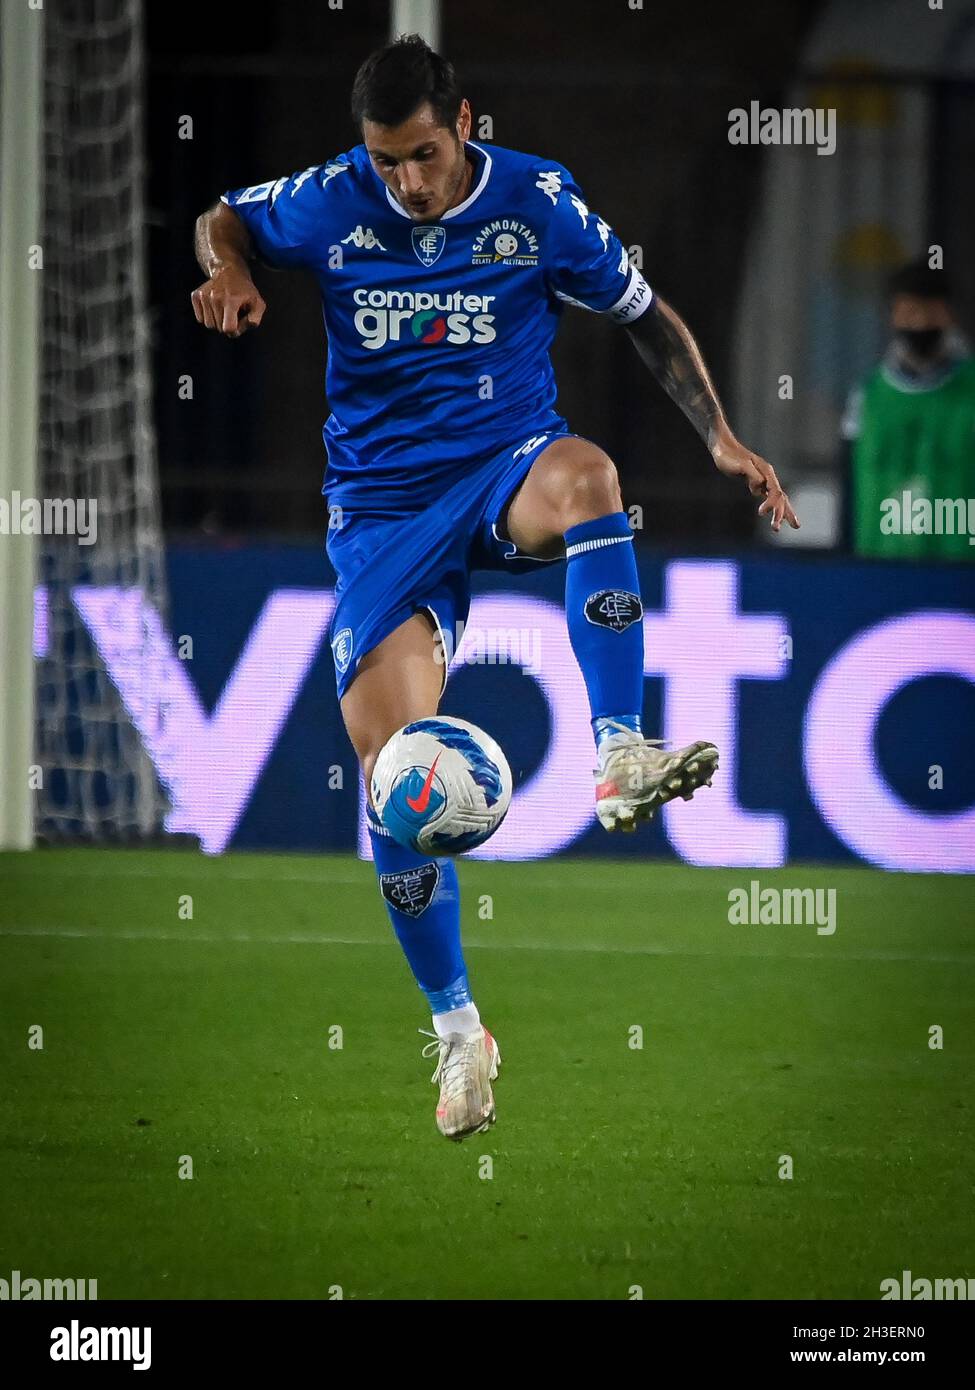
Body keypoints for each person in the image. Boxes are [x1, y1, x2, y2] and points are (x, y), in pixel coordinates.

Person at [192, 35, 798, 1140]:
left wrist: (718, 435)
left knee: (590, 477)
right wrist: (229, 265)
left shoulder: (539, 205)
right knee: (391, 782)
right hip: (380, 512)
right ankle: (460, 1026)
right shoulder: (331, 202)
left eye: (423, 154)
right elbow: (224, 211)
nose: (408, 184)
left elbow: (646, 316)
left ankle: (621, 751)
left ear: (464, 122)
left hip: (506, 460)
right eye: (388, 163)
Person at [841, 258, 975, 560]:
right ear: (892, 316)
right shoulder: (867, 397)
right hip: (879, 568)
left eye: (931, 312)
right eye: (910, 312)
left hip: (960, 573)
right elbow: (849, 490)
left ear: (950, 315)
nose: (920, 324)